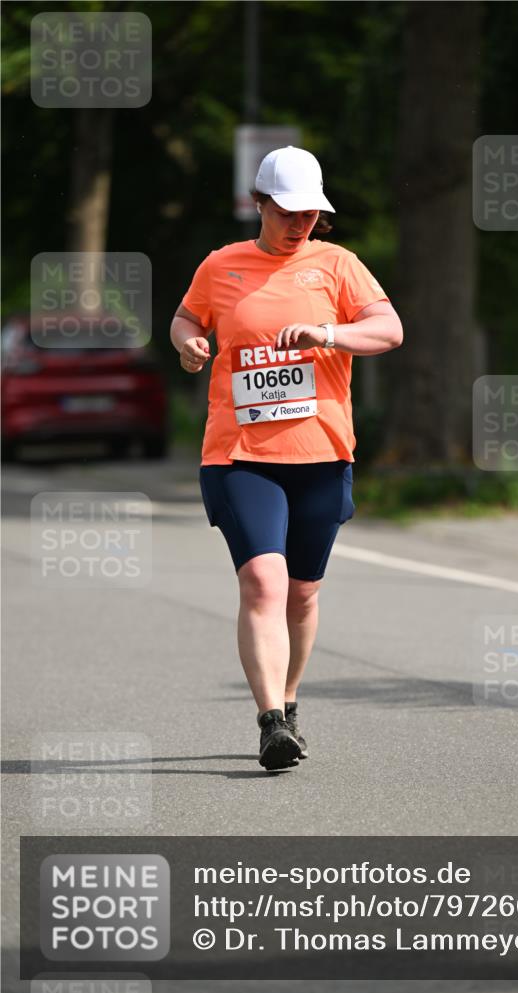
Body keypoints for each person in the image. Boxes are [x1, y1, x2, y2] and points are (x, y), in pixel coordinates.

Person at [170, 146, 402, 771]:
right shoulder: (222, 265)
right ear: (260, 204)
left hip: (322, 452)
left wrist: (327, 333)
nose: (301, 223)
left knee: (302, 592)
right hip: (239, 453)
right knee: (263, 581)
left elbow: (389, 331)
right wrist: (190, 343)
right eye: (289, 211)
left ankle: (290, 700)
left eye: (311, 213)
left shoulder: (339, 266)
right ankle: (271, 722)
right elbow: (186, 317)